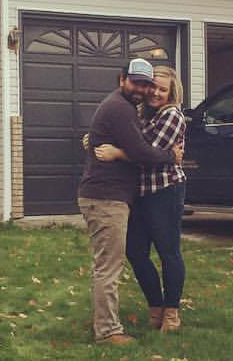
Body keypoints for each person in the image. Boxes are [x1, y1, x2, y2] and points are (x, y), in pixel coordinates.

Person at [79, 58, 182, 345]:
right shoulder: (122, 108)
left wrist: (110, 148)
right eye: (138, 83)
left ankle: (165, 313)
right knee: (111, 266)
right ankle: (109, 331)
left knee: (150, 256)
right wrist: (170, 156)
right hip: (107, 197)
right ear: (122, 79)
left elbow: (134, 147)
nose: (145, 90)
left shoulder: (135, 110)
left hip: (140, 193)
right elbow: (141, 151)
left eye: (148, 85)